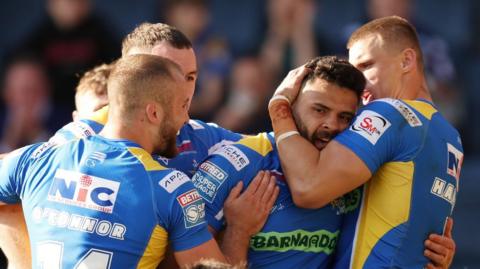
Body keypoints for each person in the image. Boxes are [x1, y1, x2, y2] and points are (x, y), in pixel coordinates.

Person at [268, 16, 461, 268]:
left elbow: (308, 188)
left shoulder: (389, 112)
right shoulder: (450, 136)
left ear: (406, 60)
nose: (359, 84)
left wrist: (279, 107)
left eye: (366, 66)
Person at [0, 54, 228, 268]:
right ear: (154, 113)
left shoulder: (38, 159)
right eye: (182, 106)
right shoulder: (171, 188)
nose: (186, 118)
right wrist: (240, 230)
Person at [192, 56, 365, 268]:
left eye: (345, 117)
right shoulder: (236, 163)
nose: (332, 124)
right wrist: (238, 232)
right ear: (290, 106)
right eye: (320, 110)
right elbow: (180, 261)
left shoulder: (356, 174)